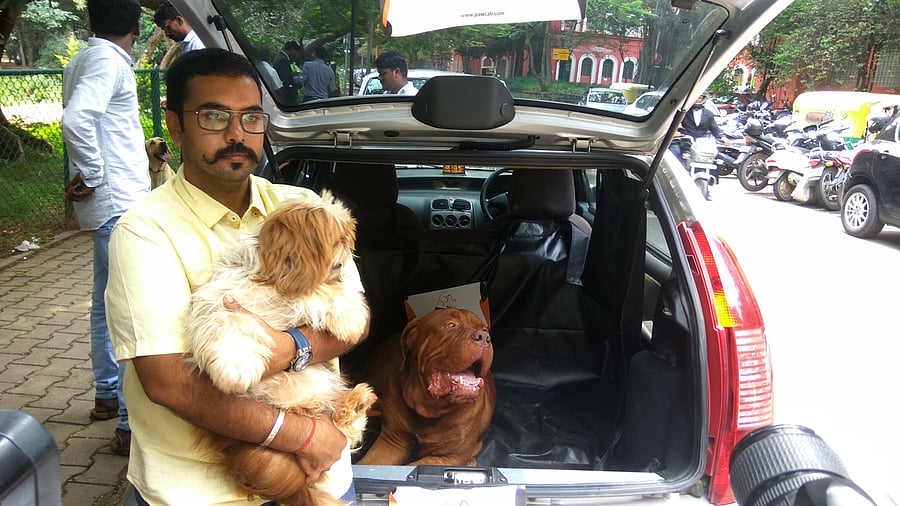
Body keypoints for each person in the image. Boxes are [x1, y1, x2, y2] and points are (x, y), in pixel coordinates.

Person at [105, 48, 366, 505]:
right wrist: (302, 437)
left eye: (251, 118)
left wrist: (290, 347)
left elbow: (352, 323)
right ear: (174, 124)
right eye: (213, 116)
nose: (236, 135)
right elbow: (169, 382)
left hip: (323, 474)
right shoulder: (143, 231)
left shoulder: (302, 207)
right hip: (199, 490)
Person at [60, 0, 149, 457]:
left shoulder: (84, 58)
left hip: (106, 205)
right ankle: (130, 424)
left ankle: (107, 395)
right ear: (136, 25)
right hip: (118, 203)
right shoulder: (106, 61)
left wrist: (89, 177)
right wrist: (93, 176)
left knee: (104, 303)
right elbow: (77, 119)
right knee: (132, 311)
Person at [670, 93, 731, 164]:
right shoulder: (683, 112)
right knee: (674, 153)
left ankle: (711, 175)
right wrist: (675, 132)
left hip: (701, 143)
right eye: (695, 97)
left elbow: (715, 129)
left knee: (716, 159)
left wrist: (723, 137)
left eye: (699, 97)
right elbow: (674, 124)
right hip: (684, 140)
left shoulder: (709, 114)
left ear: (703, 99)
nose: (697, 99)